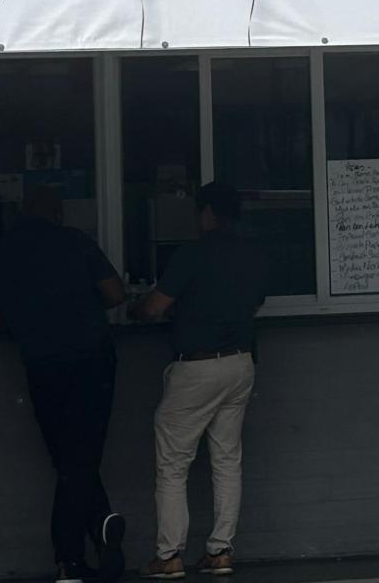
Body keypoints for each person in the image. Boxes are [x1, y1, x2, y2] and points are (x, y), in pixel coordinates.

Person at [0, 186, 128, 583]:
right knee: (80, 459)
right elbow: (115, 294)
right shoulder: (76, 242)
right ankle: (71, 556)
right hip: (91, 361)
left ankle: (96, 534)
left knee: (67, 458)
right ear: (58, 213)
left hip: (41, 365)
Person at [132, 183, 271, 580]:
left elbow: (154, 307)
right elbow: (256, 303)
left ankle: (169, 555)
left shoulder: (192, 253)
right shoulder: (254, 254)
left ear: (207, 212)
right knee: (227, 459)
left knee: (174, 464)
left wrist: (135, 306)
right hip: (241, 363)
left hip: (196, 367)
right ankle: (220, 551)